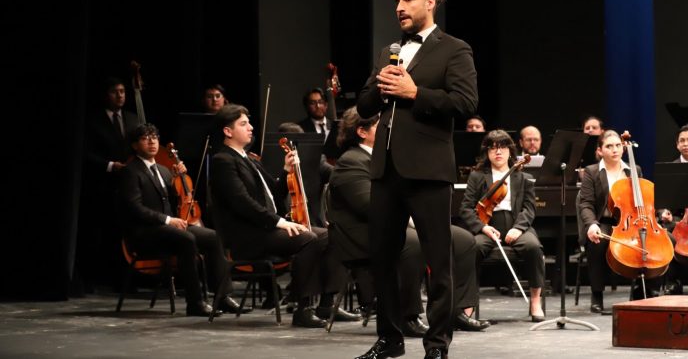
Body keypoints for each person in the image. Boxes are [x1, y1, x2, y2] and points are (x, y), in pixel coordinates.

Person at [356, 0, 478, 359]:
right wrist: (382, 89)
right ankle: (390, 339)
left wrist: (415, 93)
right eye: (396, 1)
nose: (399, 8)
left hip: (428, 171)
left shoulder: (454, 49)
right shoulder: (389, 52)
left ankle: (437, 345)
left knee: (438, 262)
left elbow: (465, 103)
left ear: (430, 2)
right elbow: (363, 106)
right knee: (383, 260)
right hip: (385, 170)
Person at [328, 108, 489, 337]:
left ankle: (455, 311)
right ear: (362, 132)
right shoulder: (351, 161)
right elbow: (369, 205)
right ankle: (406, 316)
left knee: (463, 240)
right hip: (361, 234)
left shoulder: (390, 157)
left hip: (397, 223)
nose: (389, 128)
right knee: (411, 243)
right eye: (381, 125)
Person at [209, 104, 356, 327]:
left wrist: (286, 170)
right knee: (309, 239)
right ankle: (302, 308)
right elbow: (242, 203)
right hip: (249, 236)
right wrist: (280, 222)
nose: (250, 127)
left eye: (249, 122)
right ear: (227, 131)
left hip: (265, 229)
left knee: (332, 235)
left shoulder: (249, 159)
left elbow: (275, 193)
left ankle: (327, 304)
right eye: (243, 124)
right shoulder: (223, 160)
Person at [117, 123, 242, 316]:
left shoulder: (164, 170)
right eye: (145, 138)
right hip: (145, 233)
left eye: (154, 137)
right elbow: (135, 208)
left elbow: (173, 202)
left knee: (212, 236)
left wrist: (177, 179)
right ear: (134, 145)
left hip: (167, 230)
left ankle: (222, 297)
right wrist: (168, 220)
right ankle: (195, 303)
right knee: (187, 239)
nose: (152, 142)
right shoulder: (130, 171)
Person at [459, 130, 545, 322]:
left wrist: (518, 228)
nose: (498, 152)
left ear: (510, 151)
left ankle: (535, 301)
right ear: (487, 152)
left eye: (502, 147)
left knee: (533, 247)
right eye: (493, 148)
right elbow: (466, 208)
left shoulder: (523, 177)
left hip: (517, 225)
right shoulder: (477, 176)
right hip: (488, 226)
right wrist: (483, 227)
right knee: (473, 249)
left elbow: (529, 208)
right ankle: (468, 304)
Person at [578, 129, 661, 312]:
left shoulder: (634, 170)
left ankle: (647, 288)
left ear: (623, 148)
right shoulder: (592, 172)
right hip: (604, 221)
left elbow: (643, 199)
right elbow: (586, 203)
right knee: (598, 242)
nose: (615, 149)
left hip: (632, 221)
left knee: (657, 242)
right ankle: (597, 294)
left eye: (618, 145)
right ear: (600, 151)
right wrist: (591, 224)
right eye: (609, 146)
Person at [79, 77, 140, 290]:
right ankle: (96, 279)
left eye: (122, 91)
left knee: (126, 233)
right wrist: (111, 166)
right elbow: (86, 153)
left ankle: (125, 279)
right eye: (115, 92)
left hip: (129, 186)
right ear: (106, 95)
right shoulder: (93, 120)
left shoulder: (133, 119)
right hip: (102, 184)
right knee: (101, 233)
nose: (120, 95)